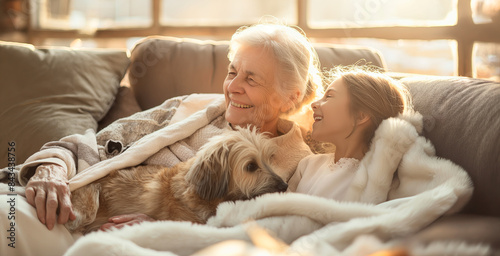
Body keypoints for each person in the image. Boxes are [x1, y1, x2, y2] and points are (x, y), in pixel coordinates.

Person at [61, 67, 472, 256]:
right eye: (232, 72)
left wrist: (397, 143)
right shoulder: (310, 168)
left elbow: (266, 209)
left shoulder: (317, 162)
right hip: (90, 194)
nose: (317, 104)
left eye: (329, 97)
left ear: (362, 116)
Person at [0, 23, 324, 256]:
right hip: (75, 210)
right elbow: (94, 144)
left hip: (151, 245)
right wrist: (52, 169)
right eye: (232, 72)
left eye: (250, 78)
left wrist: (159, 227)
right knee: (5, 215)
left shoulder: (301, 162)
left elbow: (270, 237)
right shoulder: (186, 108)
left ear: (289, 96)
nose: (233, 87)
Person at [287, 67, 411, 201]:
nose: (314, 104)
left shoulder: (378, 181)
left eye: (329, 96)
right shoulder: (307, 165)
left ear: (360, 116)